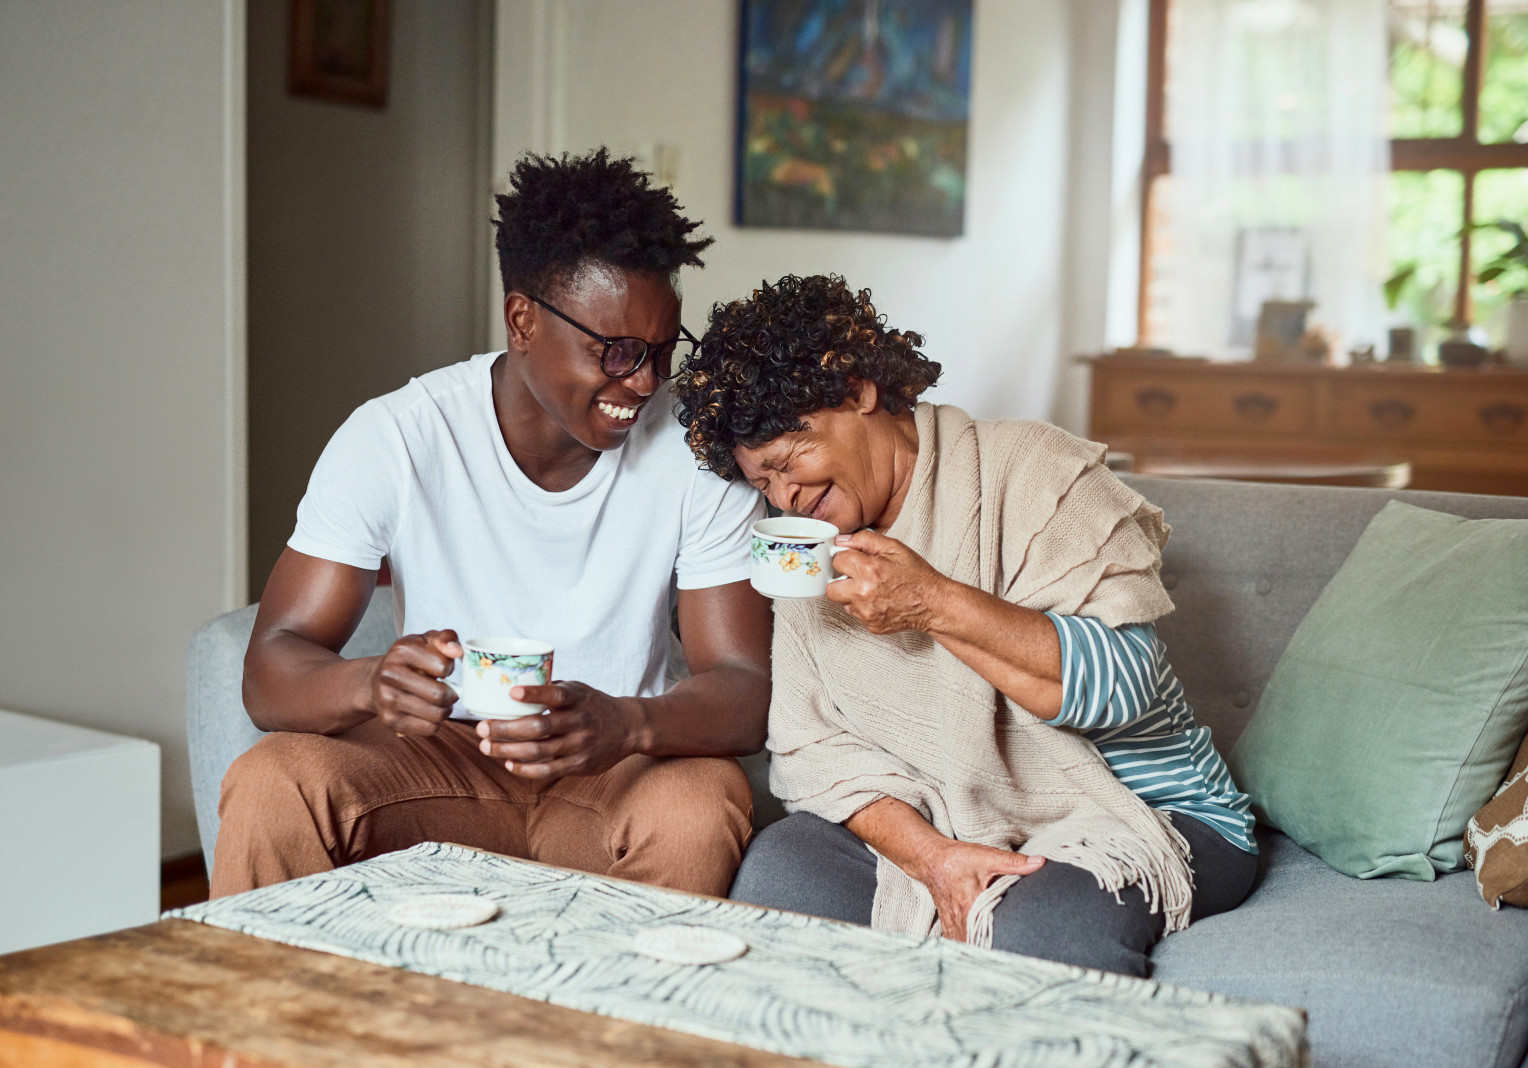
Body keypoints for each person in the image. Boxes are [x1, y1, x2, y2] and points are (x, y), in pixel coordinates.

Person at [210, 150, 772, 900]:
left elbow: (745, 686)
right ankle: (263, 1017)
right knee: (272, 780)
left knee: (700, 802)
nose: (643, 382)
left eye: (663, 350)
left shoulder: (694, 452)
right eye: (617, 351)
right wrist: (369, 682)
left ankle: (614, 1020)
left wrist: (627, 725)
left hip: (613, 764)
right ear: (523, 320)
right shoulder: (399, 437)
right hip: (435, 762)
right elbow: (269, 672)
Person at [675, 274, 1257, 977]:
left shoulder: (1035, 471)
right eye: (761, 485)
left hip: (1144, 813)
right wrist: (934, 858)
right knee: (782, 874)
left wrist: (933, 603)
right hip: (942, 815)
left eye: (788, 462)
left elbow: (1126, 686)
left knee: (1039, 923)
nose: (784, 496)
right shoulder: (806, 542)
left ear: (857, 391)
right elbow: (807, 747)